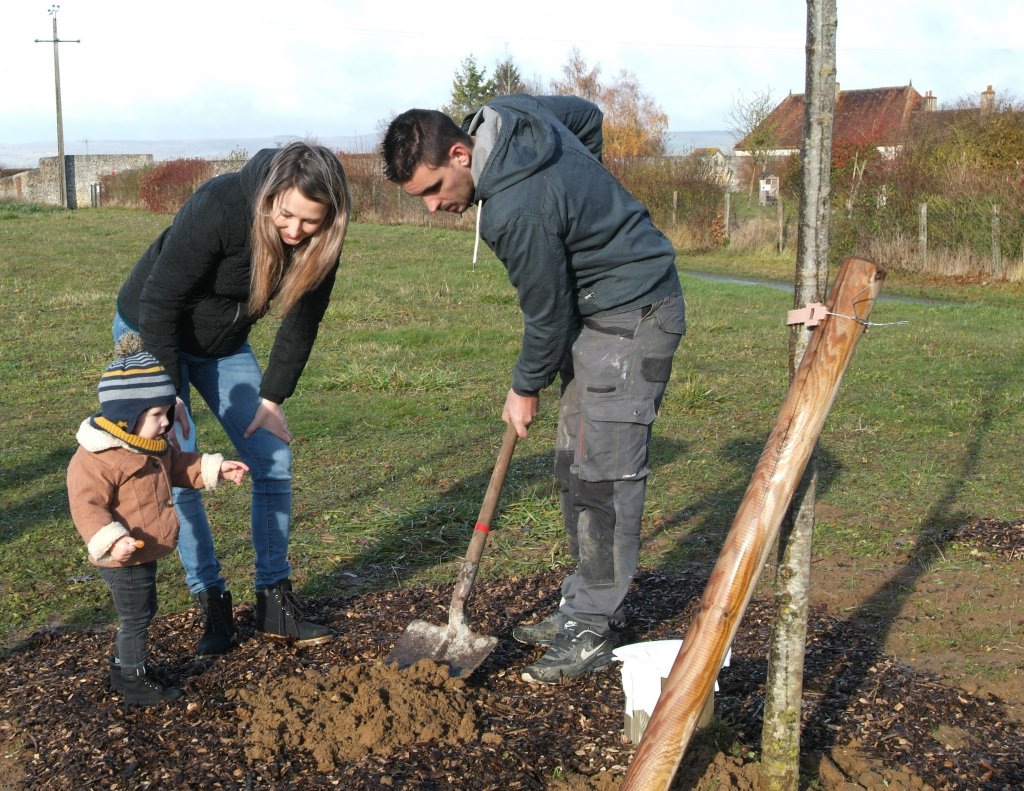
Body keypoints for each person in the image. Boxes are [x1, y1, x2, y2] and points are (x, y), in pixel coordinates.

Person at [382, 96, 686, 684]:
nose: (433, 205)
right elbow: (588, 118)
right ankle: (584, 604)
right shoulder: (513, 115)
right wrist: (585, 195)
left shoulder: (513, 211)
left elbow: (546, 317)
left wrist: (524, 388)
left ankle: (593, 628)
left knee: (603, 477)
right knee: (576, 467)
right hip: (599, 317)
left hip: (633, 315)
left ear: (461, 153)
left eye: (434, 188)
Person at [114, 140, 351, 655]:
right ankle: (211, 599)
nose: (293, 232)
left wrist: (273, 398)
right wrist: (168, 394)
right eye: (285, 215)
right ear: (269, 195)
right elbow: (161, 300)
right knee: (180, 464)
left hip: (223, 346)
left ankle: (273, 598)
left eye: (310, 223)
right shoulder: (221, 204)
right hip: (153, 332)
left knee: (274, 456)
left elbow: (302, 320)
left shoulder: (320, 242)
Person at [67, 336, 249, 705]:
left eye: (167, 411)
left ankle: (124, 667)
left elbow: (179, 467)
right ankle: (133, 680)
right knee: (136, 615)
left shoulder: (150, 444)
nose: (167, 422)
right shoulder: (97, 459)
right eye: (156, 416)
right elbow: (86, 506)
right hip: (122, 553)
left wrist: (215, 467)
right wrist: (111, 539)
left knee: (143, 609)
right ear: (126, 417)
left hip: (141, 549)